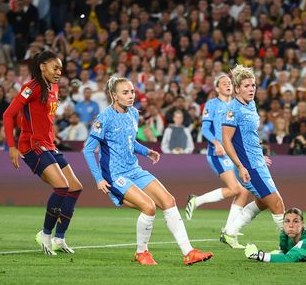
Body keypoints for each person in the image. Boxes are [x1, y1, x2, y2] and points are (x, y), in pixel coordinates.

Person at [83, 76, 213, 265]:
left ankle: (189, 252)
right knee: (149, 206)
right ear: (114, 95)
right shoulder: (104, 118)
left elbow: (128, 141)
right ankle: (141, 252)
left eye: (132, 91)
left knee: (169, 201)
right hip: (115, 175)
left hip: (134, 169)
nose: (131, 96)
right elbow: (88, 149)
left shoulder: (134, 113)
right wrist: (98, 179)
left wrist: (146, 151)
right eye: (125, 92)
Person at [2, 51, 83, 255]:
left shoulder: (53, 87)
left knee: (75, 188)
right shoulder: (32, 88)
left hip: (49, 144)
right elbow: (8, 114)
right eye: (55, 68)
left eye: (60, 69)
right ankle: (45, 235)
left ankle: (59, 238)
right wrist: (12, 146)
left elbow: (44, 118)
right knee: (61, 186)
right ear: (42, 66)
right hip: (32, 145)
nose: (59, 72)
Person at [185, 74, 267, 249]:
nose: (228, 85)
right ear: (217, 88)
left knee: (243, 191)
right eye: (224, 83)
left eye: (230, 82)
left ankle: (228, 231)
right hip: (218, 153)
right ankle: (199, 203)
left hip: (232, 154)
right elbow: (205, 129)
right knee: (237, 188)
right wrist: (216, 143)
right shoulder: (212, 105)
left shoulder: (236, 105)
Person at [222, 65, 286, 232]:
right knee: (277, 205)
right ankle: (287, 247)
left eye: (253, 85)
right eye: (246, 86)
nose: (251, 89)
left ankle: (230, 232)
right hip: (249, 167)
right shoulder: (232, 109)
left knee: (262, 203)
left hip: (256, 161)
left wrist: (258, 153)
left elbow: (249, 135)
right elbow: (226, 141)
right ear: (237, 89)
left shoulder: (251, 105)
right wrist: (240, 166)